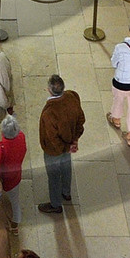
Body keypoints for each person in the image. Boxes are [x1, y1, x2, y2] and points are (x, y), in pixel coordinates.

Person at [37, 75, 85, 214]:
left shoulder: (49, 113)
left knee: (53, 176)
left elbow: (52, 138)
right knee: (66, 167)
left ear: (49, 90)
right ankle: (66, 192)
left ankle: (55, 204)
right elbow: (81, 120)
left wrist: (65, 147)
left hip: (53, 150)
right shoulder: (72, 96)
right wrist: (74, 140)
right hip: (69, 142)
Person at [0, 112, 28, 225]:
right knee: (15, 201)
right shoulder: (21, 137)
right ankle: (16, 222)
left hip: (3, 178)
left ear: (3, 132)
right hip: (16, 176)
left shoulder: (1, 149)